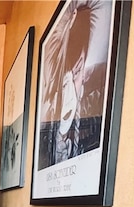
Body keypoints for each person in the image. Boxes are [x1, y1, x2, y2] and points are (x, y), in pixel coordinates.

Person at [38, 2, 106, 169]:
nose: (68, 88)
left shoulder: (91, 113)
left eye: (76, 73)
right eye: (64, 81)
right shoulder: (47, 129)